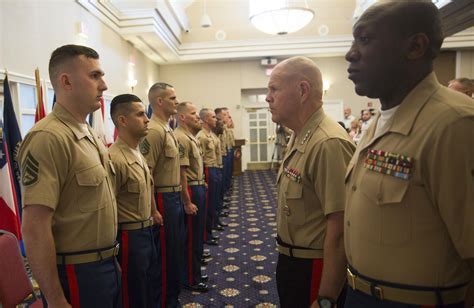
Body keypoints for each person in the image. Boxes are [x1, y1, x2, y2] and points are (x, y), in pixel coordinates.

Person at [344, 2, 474, 307]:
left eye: (364, 39)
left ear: (415, 46)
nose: (350, 53)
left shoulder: (454, 124)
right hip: (358, 293)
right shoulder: (382, 117)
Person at [19, 44, 121, 307]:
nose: (104, 85)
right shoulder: (48, 137)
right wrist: (54, 298)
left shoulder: (89, 133)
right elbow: (34, 228)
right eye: (95, 76)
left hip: (104, 265)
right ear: (66, 81)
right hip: (76, 273)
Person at [266, 56, 355, 308]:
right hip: (292, 261)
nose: (268, 97)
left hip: (315, 268)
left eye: (274, 89)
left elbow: (340, 228)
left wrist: (326, 298)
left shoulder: (328, 143)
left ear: (303, 90)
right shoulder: (300, 135)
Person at [109, 94, 162, 308]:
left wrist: (154, 212)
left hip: (146, 231)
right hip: (128, 235)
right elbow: (108, 207)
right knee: (134, 292)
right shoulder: (114, 158)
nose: (147, 119)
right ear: (122, 120)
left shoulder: (137, 152)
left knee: (150, 284)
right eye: (140, 114)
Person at [141, 82, 184, 308]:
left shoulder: (166, 128)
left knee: (174, 252)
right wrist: (153, 209)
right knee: (166, 256)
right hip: (162, 198)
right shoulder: (154, 130)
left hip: (173, 197)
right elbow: (146, 173)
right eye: (172, 98)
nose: (177, 102)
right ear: (159, 101)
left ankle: (172, 297)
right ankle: (166, 302)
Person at [175, 102, 209, 292]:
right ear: (182, 117)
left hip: (197, 187)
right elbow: (181, 173)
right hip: (190, 192)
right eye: (193, 113)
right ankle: (190, 279)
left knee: (197, 236)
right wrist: (187, 201)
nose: (198, 117)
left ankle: (195, 273)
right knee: (191, 238)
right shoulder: (181, 137)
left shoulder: (190, 137)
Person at [196, 108, 221, 246]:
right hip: (208, 170)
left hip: (215, 168)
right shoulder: (201, 136)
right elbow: (200, 159)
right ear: (206, 119)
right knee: (208, 204)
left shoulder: (210, 135)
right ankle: (206, 235)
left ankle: (210, 230)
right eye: (213, 117)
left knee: (213, 202)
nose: (216, 119)